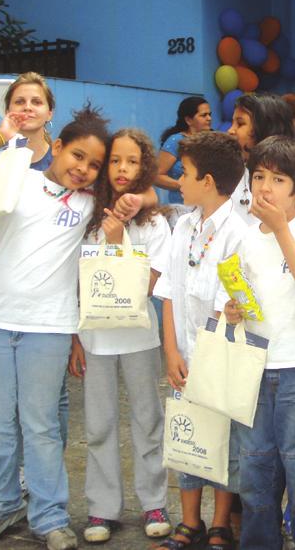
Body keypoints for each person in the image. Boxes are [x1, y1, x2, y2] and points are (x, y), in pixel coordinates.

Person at [0, 104, 144, 550]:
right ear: (58, 147)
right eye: (78, 157)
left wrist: (132, 204)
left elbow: (143, 196)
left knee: (41, 426)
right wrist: (1, 135)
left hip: (48, 330)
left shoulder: (91, 205)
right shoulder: (13, 176)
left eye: (93, 164)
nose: (84, 169)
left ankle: (49, 517)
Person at [221, 136, 295, 550]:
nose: (264, 186)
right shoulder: (246, 237)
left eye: (278, 179)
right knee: (255, 473)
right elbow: (244, 299)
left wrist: (283, 230)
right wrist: (234, 310)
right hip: (254, 365)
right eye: (259, 176)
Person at [0, 73, 72, 459]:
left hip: (52, 314)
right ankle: (13, 487)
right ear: (8, 110)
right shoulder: (0, 164)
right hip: (2, 307)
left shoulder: (67, 165)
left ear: (49, 111)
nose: (27, 109)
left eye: (35, 101)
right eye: (19, 102)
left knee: (48, 409)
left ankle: (39, 480)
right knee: (4, 411)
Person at [69, 129, 171, 543]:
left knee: (148, 420)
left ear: (144, 166)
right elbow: (74, 283)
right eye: (114, 161)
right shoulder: (86, 214)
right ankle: (101, 508)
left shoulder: (154, 223)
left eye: (131, 161)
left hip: (140, 339)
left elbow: (148, 285)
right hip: (95, 339)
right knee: (98, 424)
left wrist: (117, 243)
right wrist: (76, 338)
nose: (122, 169)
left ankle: (154, 501)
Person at [154, 131, 248, 550]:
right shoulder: (184, 226)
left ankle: (220, 522)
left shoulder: (237, 232)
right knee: (185, 434)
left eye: (185, 173)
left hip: (220, 357)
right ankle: (189, 520)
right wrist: (172, 351)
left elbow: (229, 303)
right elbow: (169, 291)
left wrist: (206, 360)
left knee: (224, 441)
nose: (178, 179)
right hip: (185, 355)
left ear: (208, 181)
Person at [227, 92, 295, 225]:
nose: (231, 130)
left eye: (240, 124)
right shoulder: (229, 171)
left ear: (264, 128)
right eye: (232, 123)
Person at [157, 96, 212, 211]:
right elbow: (156, 176)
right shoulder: (176, 141)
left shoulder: (212, 141)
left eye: (209, 114)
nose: (209, 118)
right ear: (188, 120)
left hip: (208, 207)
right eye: (203, 115)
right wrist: (184, 185)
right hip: (182, 208)